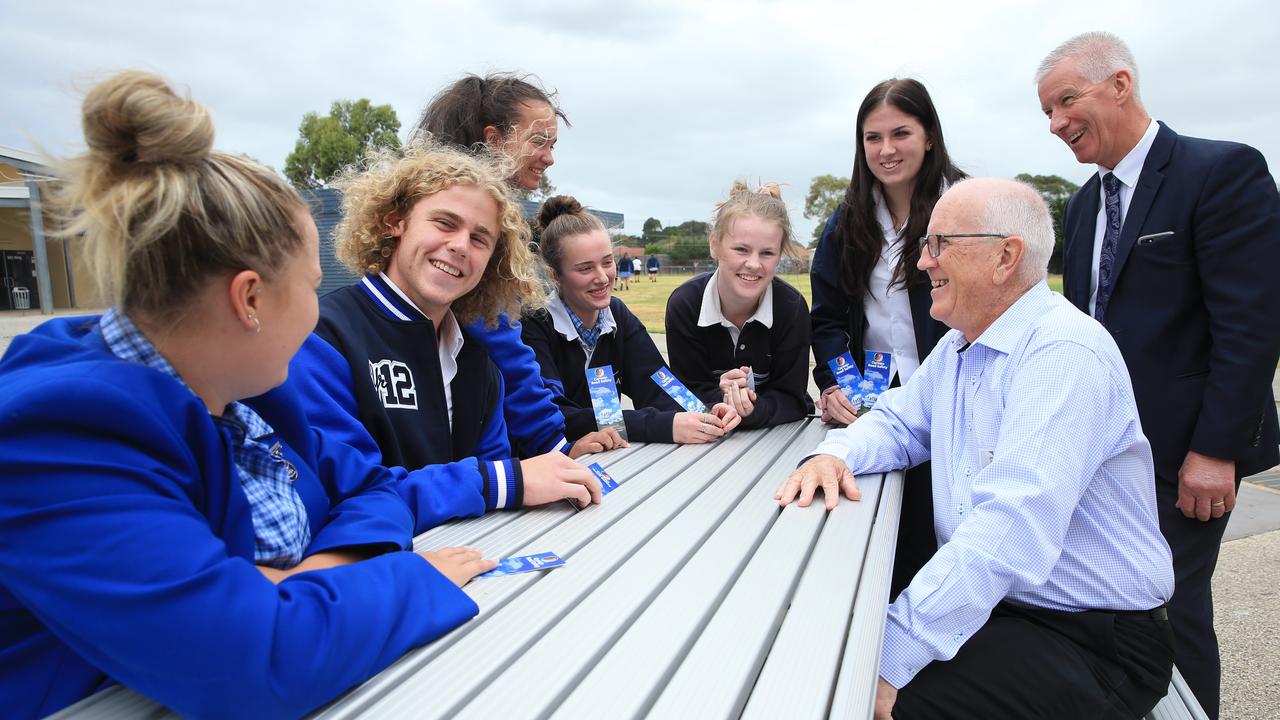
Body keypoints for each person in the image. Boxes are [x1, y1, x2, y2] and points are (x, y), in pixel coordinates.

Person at [0, 71, 494, 719]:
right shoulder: (57, 437)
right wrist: (411, 579)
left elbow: (374, 489)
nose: (318, 311)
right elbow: (254, 664)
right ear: (250, 299)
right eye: (310, 287)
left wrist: (319, 572)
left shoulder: (252, 394)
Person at [778, 178, 1175, 720]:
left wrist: (887, 657)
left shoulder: (1062, 353)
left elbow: (1011, 528)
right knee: (825, 658)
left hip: (1094, 638)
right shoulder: (963, 346)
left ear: (1005, 257)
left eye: (939, 244)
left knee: (856, 697)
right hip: (1012, 610)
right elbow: (897, 423)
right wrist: (834, 456)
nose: (922, 263)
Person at [1036, 32, 1280, 718]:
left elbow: (1250, 326)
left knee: (1169, 604)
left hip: (1188, 456)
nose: (1055, 124)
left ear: (1119, 84)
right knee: (1115, 604)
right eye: (1047, 113)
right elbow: (1083, 330)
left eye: (1065, 102)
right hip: (1107, 452)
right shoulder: (1083, 207)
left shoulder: (1222, 172)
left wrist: (1218, 450)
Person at [288, 141, 603, 535]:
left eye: (479, 239)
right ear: (394, 222)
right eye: (444, 223)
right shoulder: (322, 338)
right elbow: (345, 498)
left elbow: (496, 504)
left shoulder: (478, 362)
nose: (459, 245)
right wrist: (500, 482)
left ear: (492, 262)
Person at [412, 72, 622, 459]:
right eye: (538, 141)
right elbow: (506, 347)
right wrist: (555, 446)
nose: (549, 156)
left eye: (553, 143)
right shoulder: (478, 231)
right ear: (493, 141)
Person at [810, 78, 966, 597]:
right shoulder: (848, 219)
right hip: (872, 401)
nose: (886, 149)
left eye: (901, 133)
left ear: (928, 136)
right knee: (878, 539)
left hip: (949, 399)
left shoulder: (963, 208)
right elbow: (828, 319)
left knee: (942, 532)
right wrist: (837, 385)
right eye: (872, 138)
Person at [522, 196, 740, 444]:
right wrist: (659, 425)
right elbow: (557, 417)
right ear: (555, 275)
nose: (603, 277)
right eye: (585, 269)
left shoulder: (617, 314)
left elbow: (658, 382)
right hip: (554, 464)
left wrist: (705, 411)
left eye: (608, 262)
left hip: (613, 458)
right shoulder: (534, 323)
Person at [665, 181, 814, 430]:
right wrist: (719, 400)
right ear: (715, 245)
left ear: (780, 254)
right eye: (741, 250)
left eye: (767, 253)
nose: (754, 264)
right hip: (710, 438)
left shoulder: (792, 307)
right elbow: (686, 393)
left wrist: (751, 408)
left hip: (781, 437)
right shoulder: (686, 304)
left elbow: (793, 398)